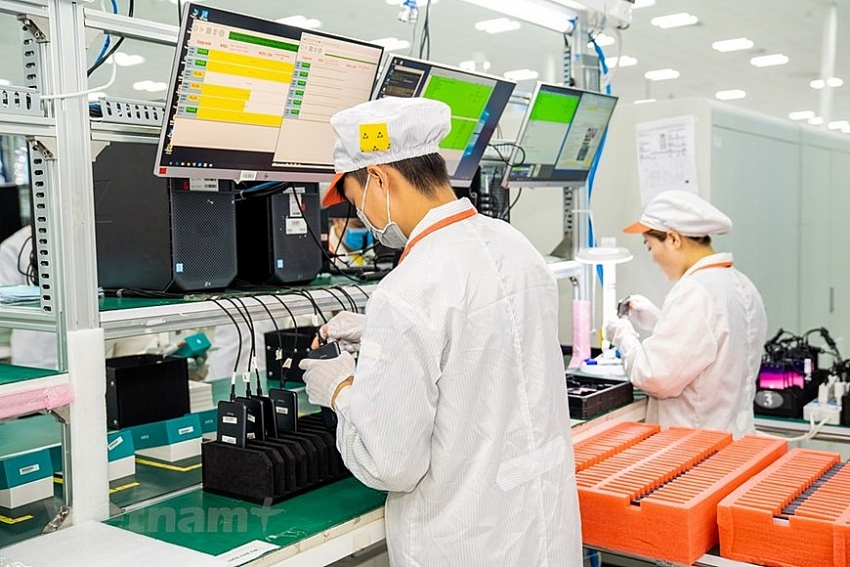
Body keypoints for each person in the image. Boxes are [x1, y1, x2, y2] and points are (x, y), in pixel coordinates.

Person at [298, 97, 582, 566]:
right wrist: (381, 334)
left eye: (352, 199)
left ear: (379, 179)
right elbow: (493, 339)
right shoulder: (515, 246)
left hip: (466, 543)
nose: (361, 216)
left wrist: (340, 390)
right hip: (540, 532)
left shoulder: (409, 288)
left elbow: (390, 465)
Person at [604, 190, 767, 438]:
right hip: (735, 440)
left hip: (696, 446)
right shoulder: (741, 285)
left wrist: (623, 334)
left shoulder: (695, 292)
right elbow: (714, 349)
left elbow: (652, 377)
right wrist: (660, 321)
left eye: (649, 246)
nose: (653, 258)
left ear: (673, 239)